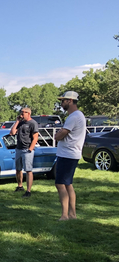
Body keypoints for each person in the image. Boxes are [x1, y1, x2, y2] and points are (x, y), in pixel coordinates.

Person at [54, 91, 86, 221]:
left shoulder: (73, 117)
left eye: (63, 101)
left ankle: (65, 215)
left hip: (67, 154)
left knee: (60, 184)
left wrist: (58, 134)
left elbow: (60, 135)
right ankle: (72, 214)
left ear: (70, 101)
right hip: (72, 154)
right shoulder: (79, 115)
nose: (61, 103)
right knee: (68, 184)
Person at [10, 107, 39, 197]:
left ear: (28, 113)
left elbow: (35, 138)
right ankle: (20, 186)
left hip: (27, 149)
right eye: (21, 113)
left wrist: (30, 149)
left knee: (28, 170)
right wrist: (17, 121)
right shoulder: (21, 122)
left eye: (23, 113)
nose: (21, 114)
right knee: (18, 169)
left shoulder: (33, 123)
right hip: (18, 148)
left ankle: (28, 191)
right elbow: (12, 133)